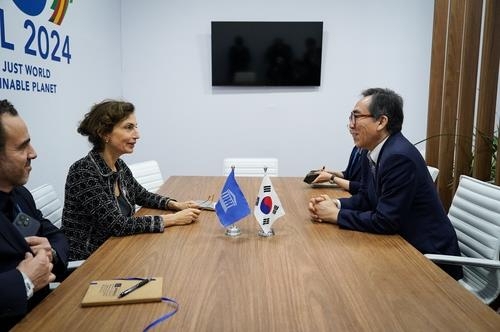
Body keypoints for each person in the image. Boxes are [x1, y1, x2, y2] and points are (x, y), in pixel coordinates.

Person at [308, 88, 463, 280]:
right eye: (350, 118)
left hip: (429, 259)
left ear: (381, 121)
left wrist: (336, 215)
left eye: (356, 118)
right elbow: (366, 196)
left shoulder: (399, 157)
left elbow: (386, 221)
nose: (351, 125)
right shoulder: (370, 150)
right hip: (402, 245)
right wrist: (335, 204)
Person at [62, 100, 201, 261]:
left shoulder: (118, 164)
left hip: (118, 247)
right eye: (129, 127)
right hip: (91, 259)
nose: (137, 135)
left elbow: (142, 195)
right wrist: (172, 219)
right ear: (104, 133)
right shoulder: (83, 171)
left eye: (135, 127)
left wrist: (175, 204)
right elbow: (117, 224)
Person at [0, 100, 69, 331]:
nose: (34, 153)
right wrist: (24, 281)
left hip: (48, 312)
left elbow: (57, 237)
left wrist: (51, 255)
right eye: (22, 147)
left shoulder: (20, 195)